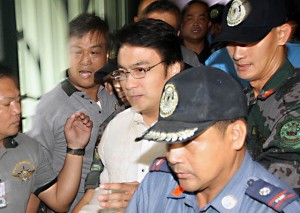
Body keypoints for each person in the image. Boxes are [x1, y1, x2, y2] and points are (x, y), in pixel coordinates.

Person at [127, 66, 300, 212]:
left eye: (188, 141)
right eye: (170, 142)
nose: (173, 157)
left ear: (236, 135)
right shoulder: (157, 184)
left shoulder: (268, 208)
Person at [76, 18, 185, 212]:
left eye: (140, 70)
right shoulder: (116, 127)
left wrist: (151, 200)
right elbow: (100, 201)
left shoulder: (201, 132)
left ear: (173, 69)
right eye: (123, 73)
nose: (128, 84)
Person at [26, 13, 120, 212]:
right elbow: (32, 179)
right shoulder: (49, 107)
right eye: (77, 52)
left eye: (94, 53)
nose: (85, 61)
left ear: (107, 54)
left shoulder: (118, 94)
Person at [213, 0, 300, 194]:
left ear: (282, 34)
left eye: (249, 41)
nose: (237, 54)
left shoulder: (294, 100)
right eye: (231, 42)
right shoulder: (240, 98)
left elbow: (272, 188)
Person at [0, 64, 93, 213]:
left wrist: (75, 147)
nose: (18, 110)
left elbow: (59, 202)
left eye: (18, 100)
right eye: (7, 104)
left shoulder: (27, 148)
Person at [139, 0, 201, 67]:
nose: (159, 36)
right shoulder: (130, 55)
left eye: (167, 31)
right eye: (155, 29)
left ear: (177, 33)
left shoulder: (189, 59)